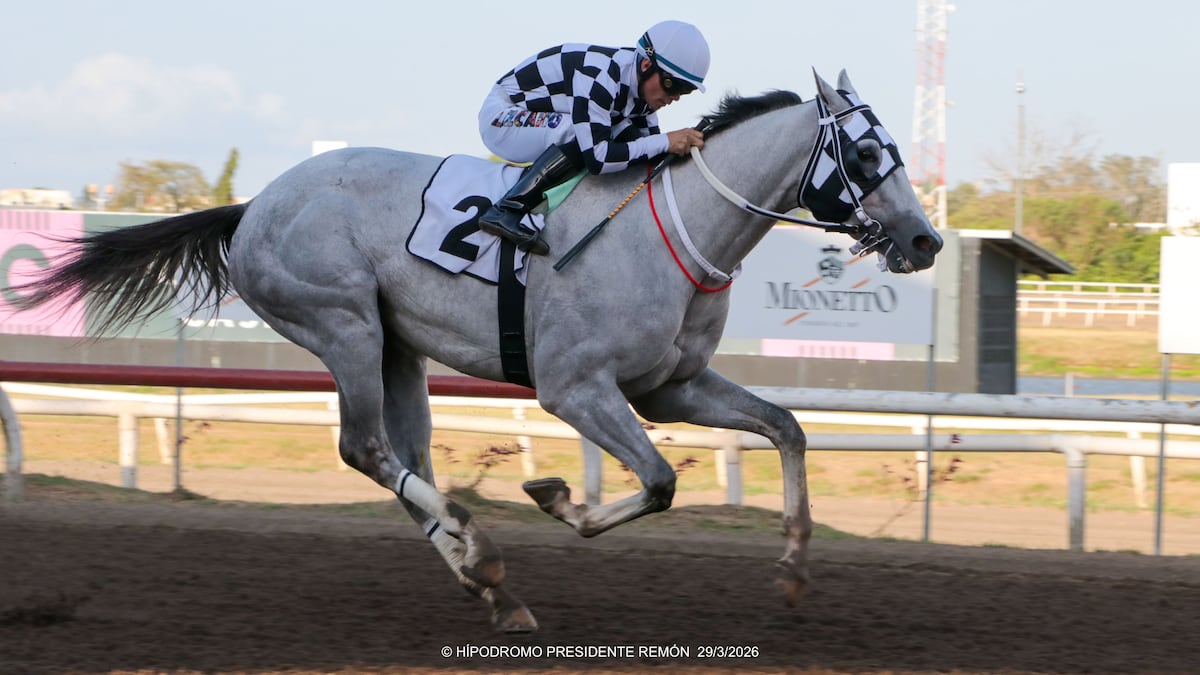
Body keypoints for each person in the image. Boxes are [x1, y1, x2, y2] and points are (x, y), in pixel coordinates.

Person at [476, 20, 710, 255]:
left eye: (685, 90)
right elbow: (598, 159)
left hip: (541, 115)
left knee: (630, 137)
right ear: (646, 65)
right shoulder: (599, 75)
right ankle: (507, 210)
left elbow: (653, 156)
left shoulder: (642, 91)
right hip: (502, 116)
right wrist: (666, 141)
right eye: (672, 85)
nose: (675, 97)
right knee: (581, 132)